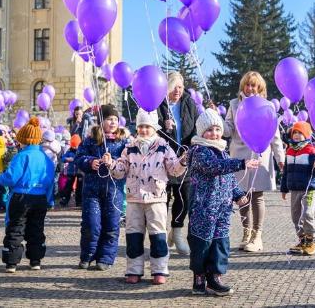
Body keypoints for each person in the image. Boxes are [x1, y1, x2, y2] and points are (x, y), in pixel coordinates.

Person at [107, 109, 186, 284]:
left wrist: (182, 161)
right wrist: (111, 164)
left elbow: (174, 169)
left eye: (147, 127)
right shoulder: (129, 147)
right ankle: (133, 270)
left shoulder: (163, 146)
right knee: (133, 235)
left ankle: (159, 270)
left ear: (155, 128)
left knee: (158, 235)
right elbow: (121, 171)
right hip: (134, 198)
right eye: (141, 126)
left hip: (156, 198)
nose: (143, 130)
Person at [187, 108, 257, 296]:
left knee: (220, 244)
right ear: (201, 132)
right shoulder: (199, 151)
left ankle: (215, 277)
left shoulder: (223, 151)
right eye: (209, 130)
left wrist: (238, 194)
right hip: (203, 209)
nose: (214, 133)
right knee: (202, 244)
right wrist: (240, 163)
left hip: (223, 209)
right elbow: (214, 167)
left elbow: (229, 178)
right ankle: (199, 276)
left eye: (217, 129)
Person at [223, 71, 285, 253]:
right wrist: (219, 123)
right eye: (247, 85)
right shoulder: (234, 105)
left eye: (254, 85)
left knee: (257, 196)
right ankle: (246, 233)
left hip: (259, 154)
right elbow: (227, 130)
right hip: (239, 155)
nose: (250, 88)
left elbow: (275, 135)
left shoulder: (267, 106)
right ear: (243, 86)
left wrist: (280, 158)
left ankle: (257, 236)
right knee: (242, 196)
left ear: (260, 88)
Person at [77, 104, 130, 271]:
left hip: (114, 191)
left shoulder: (124, 142)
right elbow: (79, 157)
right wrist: (90, 162)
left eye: (115, 119)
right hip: (92, 190)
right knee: (91, 224)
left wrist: (113, 163)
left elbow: (128, 162)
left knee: (111, 225)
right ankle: (87, 256)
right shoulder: (90, 140)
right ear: (101, 122)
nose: (113, 122)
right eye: (109, 119)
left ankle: (105, 258)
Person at [0, 117, 55, 273]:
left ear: (23, 141)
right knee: (36, 229)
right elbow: (50, 182)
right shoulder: (46, 158)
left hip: (21, 197)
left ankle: (11, 262)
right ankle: (35, 260)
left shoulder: (21, 156)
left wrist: (0, 178)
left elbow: (10, 177)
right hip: (40, 197)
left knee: (16, 227)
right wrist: (49, 200)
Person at [156, 71, 199, 255]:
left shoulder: (188, 102)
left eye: (180, 87)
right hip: (163, 158)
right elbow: (148, 126)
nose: (178, 91)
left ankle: (178, 232)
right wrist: (162, 125)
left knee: (184, 196)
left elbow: (196, 126)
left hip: (184, 156)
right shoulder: (158, 104)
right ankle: (163, 234)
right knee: (163, 198)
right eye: (174, 87)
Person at [281, 121, 315, 256]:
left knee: (307, 213)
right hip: (294, 189)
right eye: (295, 133)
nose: (297, 135)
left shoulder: (311, 150)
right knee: (296, 216)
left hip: (308, 189)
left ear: (306, 134)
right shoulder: (289, 151)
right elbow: (286, 171)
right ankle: (302, 239)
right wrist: (284, 188)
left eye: (300, 133)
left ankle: (311, 240)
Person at [58, 134, 83, 208]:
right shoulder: (69, 151)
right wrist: (67, 159)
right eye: (73, 146)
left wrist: (76, 159)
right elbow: (62, 158)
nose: (75, 147)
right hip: (70, 172)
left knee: (79, 187)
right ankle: (65, 199)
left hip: (79, 172)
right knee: (68, 186)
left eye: (76, 146)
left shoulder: (81, 150)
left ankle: (79, 201)